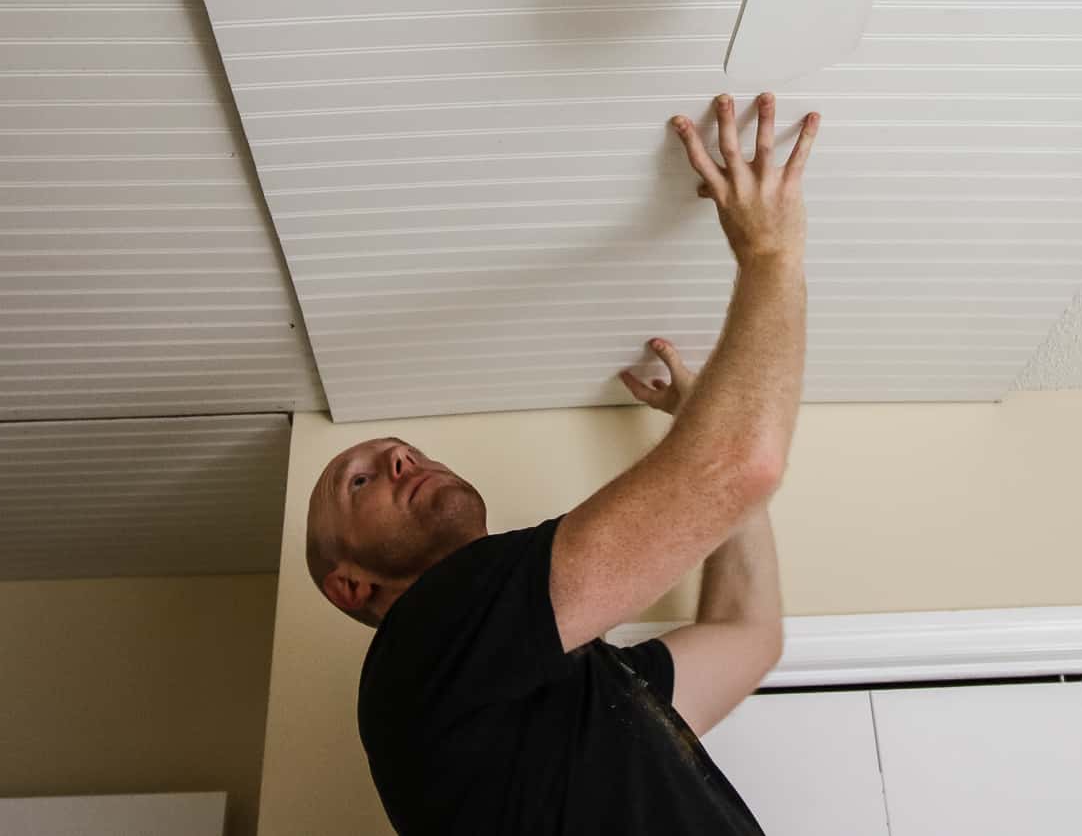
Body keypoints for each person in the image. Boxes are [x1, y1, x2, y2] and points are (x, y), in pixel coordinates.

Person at [303, 92, 820, 835]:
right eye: (357, 480)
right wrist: (771, 252)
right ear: (353, 582)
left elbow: (748, 632)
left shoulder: (576, 692)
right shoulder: (419, 653)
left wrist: (710, 432)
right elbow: (743, 463)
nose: (396, 455)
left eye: (402, 453)